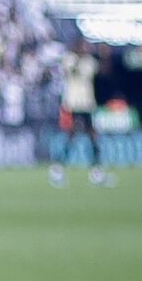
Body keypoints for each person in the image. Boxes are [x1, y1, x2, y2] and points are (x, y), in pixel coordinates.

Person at [50, 38, 107, 187]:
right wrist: (79, 58)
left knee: (92, 136)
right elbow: (72, 71)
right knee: (70, 135)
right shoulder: (69, 59)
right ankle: (57, 168)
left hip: (87, 103)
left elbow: (102, 72)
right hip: (72, 104)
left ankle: (96, 171)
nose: (85, 48)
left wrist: (103, 56)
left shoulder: (89, 60)